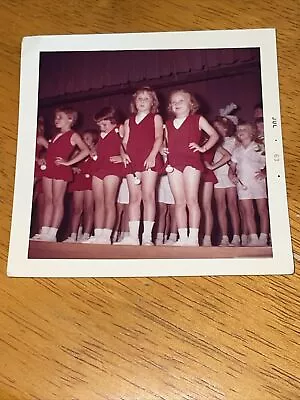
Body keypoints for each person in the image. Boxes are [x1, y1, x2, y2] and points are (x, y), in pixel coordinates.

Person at [165, 89, 219, 246]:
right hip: (173, 163)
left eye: (180, 101)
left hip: (191, 162)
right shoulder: (167, 124)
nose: (176, 104)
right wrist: (163, 149)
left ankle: (193, 238)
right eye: (173, 102)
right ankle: (182, 238)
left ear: (191, 103)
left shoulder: (198, 119)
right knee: (179, 202)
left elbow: (214, 135)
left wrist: (203, 148)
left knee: (192, 200)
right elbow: (165, 142)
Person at [32, 107, 90, 242]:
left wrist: (69, 163)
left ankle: (52, 234)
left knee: (57, 201)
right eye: (56, 117)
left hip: (60, 170)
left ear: (70, 120)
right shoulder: (55, 135)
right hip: (49, 169)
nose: (56, 120)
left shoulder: (73, 135)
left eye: (60, 117)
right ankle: (44, 231)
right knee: (48, 201)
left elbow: (86, 151)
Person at [116, 87, 164, 246]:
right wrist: (123, 154)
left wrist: (152, 156)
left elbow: (158, 137)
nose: (142, 101)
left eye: (146, 98)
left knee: (148, 196)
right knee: (134, 198)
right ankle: (134, 236)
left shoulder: (156, 117)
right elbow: (124, 142)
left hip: (149, 158)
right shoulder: (128, 121)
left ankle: (147, 237)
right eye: (139, 98)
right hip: (132, 160)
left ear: (153, 103)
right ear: (134, 102)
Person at [84, 106, 125, 244]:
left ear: (113, 121)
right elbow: (100, 148)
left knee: (109, 202)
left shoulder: (121, 129)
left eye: (104, 124)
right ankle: (98, 234)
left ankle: (106, 236)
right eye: (99, 125)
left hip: (113, 168)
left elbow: (130, 143)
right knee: (99, 203)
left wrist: (123, 156)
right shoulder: (102, 135)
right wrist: (94, 151)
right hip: (98, 168)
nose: (101, 127)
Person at [229, 122, 269, 246]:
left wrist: (264, 173)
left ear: (252, 132)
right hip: (243, 183)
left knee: (262, 210)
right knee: (247, 211)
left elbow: (269, 162)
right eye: (238, 129)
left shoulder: (259, 147)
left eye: (244, 129)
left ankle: (263, 237)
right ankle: (253, 238)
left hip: (258, 182)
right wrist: (231, 174)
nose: (240, 131)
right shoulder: (237, 150)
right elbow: (232, 167)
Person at [63, 129, 98, 243]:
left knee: (89, 208)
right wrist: (73, 167)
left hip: (90, 181)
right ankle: (73, 235)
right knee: (77, 209)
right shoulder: (78, 152)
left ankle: (86, 235)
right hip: (79, 180)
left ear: (93, 141)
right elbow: (69, 163)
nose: (84, 140)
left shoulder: (96, 151)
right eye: (83, 138)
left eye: (87, 138)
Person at [211, 115, 241, 246]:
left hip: (230, 176)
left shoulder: (234, 140)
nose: (218, 130)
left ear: (226, 128)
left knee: (233, 206)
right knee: (220, 207)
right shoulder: (213, 142)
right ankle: (224, 237)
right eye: (215, 128)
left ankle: (236, 236)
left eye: (220, 128)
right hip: (217, 176)